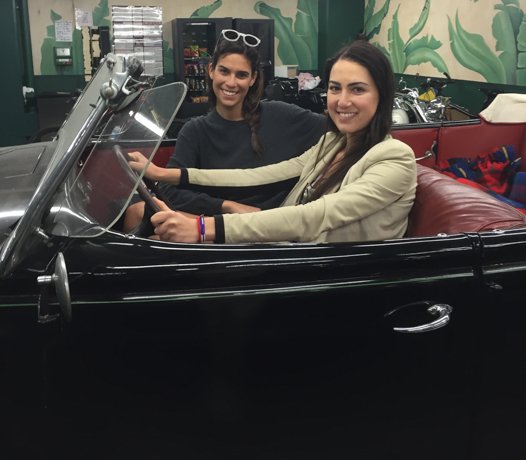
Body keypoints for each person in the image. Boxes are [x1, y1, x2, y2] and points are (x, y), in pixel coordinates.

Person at [129, 40, 417, 244]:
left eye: (357, 89)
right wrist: (163, 174)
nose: (342, 101)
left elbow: (317, 216)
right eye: (334, 88)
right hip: (283, 245)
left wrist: (203, 228)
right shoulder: (334, 142)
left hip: (318, 269)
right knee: (146, 225)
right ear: (211, 71)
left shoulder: (395, 157)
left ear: (382, 95)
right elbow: (258, 175)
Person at [124, 29, 325, 231]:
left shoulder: (282, 116)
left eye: (242, 75)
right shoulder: (195, 130)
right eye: (224, 71)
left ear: (253, 78)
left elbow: (338, 131)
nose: (231, 82)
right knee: (137, 214)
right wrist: (228, 207)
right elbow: (168, 188)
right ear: (211, 70)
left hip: (267, 230)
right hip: (219, 225)